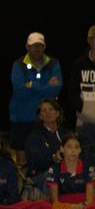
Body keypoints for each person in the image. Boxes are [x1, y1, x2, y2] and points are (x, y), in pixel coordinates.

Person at [10, 32, 62, 164]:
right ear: (27, 47)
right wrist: (46, 87)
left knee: (49, 159)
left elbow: (56, 89)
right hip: (22, 119)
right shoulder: (18, 65)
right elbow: (20, 91)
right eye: (34, 46)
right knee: (22, 161)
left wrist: (32, 85)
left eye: (40, 45)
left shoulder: (53, 64)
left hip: (47, 120)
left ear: (44, 47)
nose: (37, 48)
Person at [23, 99, 70, 197]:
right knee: (54, 179)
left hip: (66, 172)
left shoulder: (66, 134)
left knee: (81, 178)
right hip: (41, 174)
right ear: (40, 116)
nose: (47, 112)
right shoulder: (34, 135)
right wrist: (53, 158)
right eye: (44, 110)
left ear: (57, 113)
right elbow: (34, 162)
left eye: (50, 109)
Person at [47, 132, 95, 209]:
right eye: (69, 146)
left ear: (80, 150)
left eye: (76, 147)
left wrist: (81, 206)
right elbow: (54, 200)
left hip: (83, 205)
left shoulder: (89, 169)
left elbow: (90, 199)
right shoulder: (54, 169)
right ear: (62, 149)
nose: (73, 150)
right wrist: (69, 207)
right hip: (62, 205)